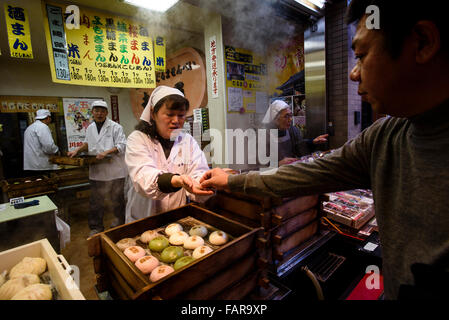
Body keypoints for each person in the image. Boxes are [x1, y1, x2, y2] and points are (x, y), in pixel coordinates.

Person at [201, 0, 449, 300]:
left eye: (361, 55)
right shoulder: (385, 137)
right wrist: (231, 181)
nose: (353, 74)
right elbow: (311, 172)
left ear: (422, 42)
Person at [125, 85, 213, 222]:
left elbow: (198, 171)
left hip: (177, 218)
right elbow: (144, 177)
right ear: (153, 113)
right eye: (170, 114)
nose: (176, 121)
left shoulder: (187, 141)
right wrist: (177, 180)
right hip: (144, 218)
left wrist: (206, 181)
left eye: (181, 115)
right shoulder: (137, 139)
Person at [67, 100, 128, 236]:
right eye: (96, 111)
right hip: (97, 172)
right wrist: (76, 150)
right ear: (92, 112)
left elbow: (122, 145)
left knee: (117, 200)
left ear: (106, 112)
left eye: (102, 111)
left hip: (115, 171)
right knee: (95, 201)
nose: (99, 113)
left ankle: (119, 224)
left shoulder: (115, 127)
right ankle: (96, 227)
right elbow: (88, 143)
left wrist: (106, 152)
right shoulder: (90, 128)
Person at [262, 100, 328, 166]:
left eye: (291, 115)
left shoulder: (291, 130)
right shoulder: (263, 136)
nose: (290, 119)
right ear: (275, 118)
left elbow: (299, 146)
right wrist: (277, 164)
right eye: (286, 116)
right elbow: (255, 168)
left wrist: (312, 142)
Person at [23, 109, 59, 175]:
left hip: (30, 165)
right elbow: (48, 146)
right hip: (42, 166)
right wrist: (56, 150)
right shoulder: (43, 127)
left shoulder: (29, 128)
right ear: (48, 117)